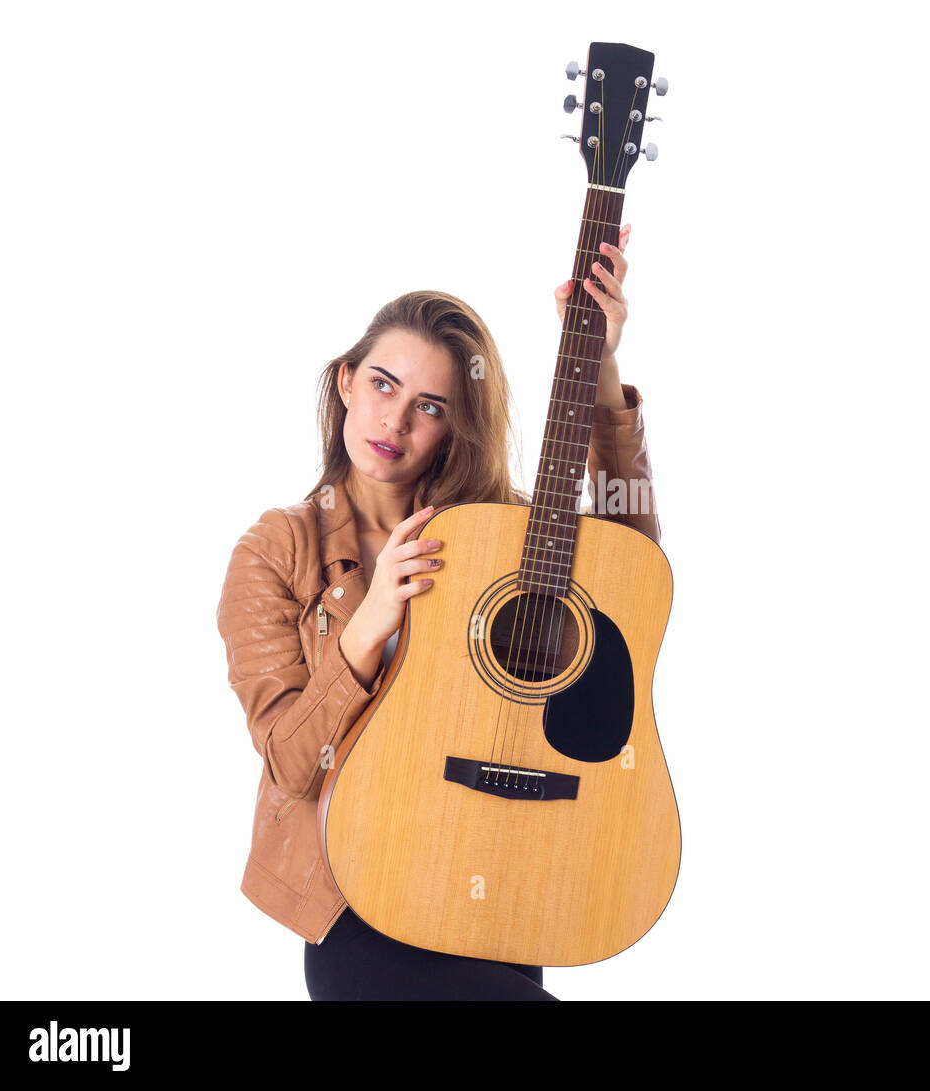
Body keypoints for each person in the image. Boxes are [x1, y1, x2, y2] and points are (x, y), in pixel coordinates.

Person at [216, 226, 661, 999]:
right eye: (383, 385)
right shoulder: (275, 550)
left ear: (455, 425)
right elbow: (289, 760)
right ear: (347, 380)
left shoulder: (492, 537)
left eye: (429, 406)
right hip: (360, 908)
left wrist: (601, 372)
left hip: (506, 879)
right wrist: (372, 617)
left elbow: (632, 565)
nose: (394, 423)